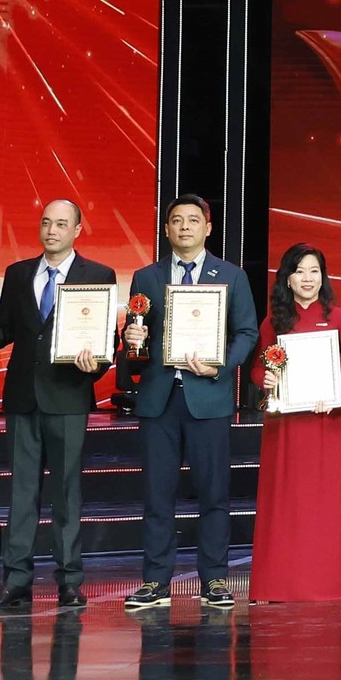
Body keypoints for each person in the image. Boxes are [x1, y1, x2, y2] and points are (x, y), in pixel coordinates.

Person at [118, 194, 258, 613]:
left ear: (207, 228)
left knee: (214, 494)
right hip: (159, 399)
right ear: (166, 229)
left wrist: (220, 366)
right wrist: (131, 339)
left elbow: (247, 333)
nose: (184, 227)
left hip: (208, 398)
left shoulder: (231, 276)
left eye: (193, 220)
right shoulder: (146, 277)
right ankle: (155, 581)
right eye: (176, 220)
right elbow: (136, 334)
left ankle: (214, 579)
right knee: (157, 495)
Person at [0, 200, 113, 612]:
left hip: (68, 395)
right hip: (22, 396)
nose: (52, 230)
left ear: (77, 230)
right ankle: (15, 580)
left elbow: (105, 337)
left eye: (61, 224)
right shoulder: (18, 273)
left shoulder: (98, 275)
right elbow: (5, 329)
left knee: (67, 493)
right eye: (47, 222)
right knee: (21, 492)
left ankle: (70, 581)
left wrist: (96, 363)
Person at [246, 241, 341, 602]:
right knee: (285, 502)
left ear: (323, 277)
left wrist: (333, 387)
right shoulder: (273, 321)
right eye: (300, 271)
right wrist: (266, 379)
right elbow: (256, 370)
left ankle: (325, 584)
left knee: (320, 504)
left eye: (315, 271)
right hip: (284, 425)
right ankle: (280, 583)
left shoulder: (339, 317)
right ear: (288, 278)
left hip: (323, 420)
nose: (308, 278)